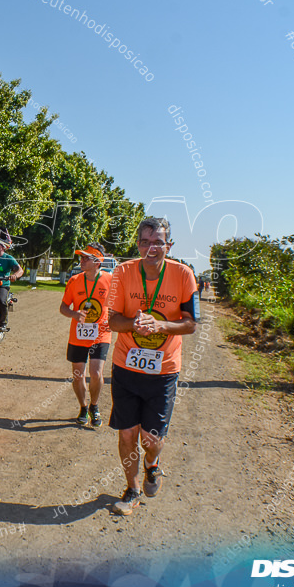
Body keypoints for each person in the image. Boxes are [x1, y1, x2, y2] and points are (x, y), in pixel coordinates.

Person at [106, 217, 198, 515]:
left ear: (168, 245)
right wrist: (133, 323)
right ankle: (132, 490)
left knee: (151, 439)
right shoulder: (122, 272)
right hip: (126, 366)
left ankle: (152, 463)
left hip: (163, 370)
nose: (151, 248)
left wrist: (161, 325)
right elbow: (112, 319)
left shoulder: (184, 275)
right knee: (127, 435)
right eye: (145, 242)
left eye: (158, 242)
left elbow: (191, 324)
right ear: (138, 245)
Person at [59, 243, 113, 427]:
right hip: (78, 335)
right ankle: (83, 407)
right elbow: (63, 307)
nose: (81, 260)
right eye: (81, 257)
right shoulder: (74, 281)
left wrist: (114, 319)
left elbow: (118, 305)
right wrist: (74, 314)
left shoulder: (110, 280)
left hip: (101, 334)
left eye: (86, 258)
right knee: (78, 374)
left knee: (96, 373)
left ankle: (94, 406)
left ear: (98, 262)